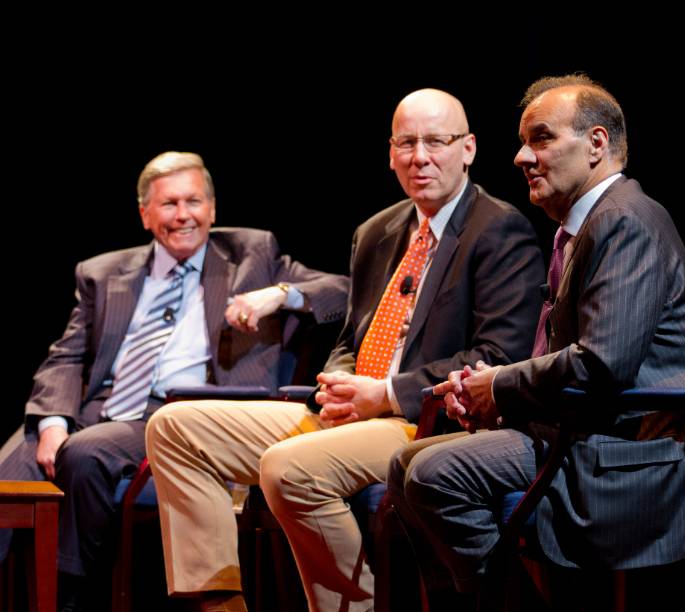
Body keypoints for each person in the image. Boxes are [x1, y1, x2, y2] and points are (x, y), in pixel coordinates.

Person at [144, 88, 544, 612]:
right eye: (407, 143)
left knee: (288, 468)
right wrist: (338, 382)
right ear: (390, 153)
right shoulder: (377, 231)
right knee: (174, 428)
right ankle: (219, 604)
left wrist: (383, 394)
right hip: (352, 412)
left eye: (436, 142)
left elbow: (497, 356)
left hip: (425, 422)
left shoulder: (499, 230)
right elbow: (351, 339)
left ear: (468, 148)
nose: (420, 156)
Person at [389, 74, 685, 599]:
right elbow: (571, 363)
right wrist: (491, 395)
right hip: (592, 430)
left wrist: (499, 385)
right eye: (525, 141)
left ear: (596, 143)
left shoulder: (625, 221)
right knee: (405, 465)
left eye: (541, 138)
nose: (521, 156)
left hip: (643, 453)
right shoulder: (582, 227)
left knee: (437, 474)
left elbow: (603, 364)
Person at [0, 151, 349, 610]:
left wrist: (278, 295)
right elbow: (66, 356)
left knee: (85, 455)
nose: (183, 215)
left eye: (194, 202)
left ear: (213, 209)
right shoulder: (102, 273)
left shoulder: (252, 254)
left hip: (183, 416)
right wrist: (52, 424)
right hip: (97, 412)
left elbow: (343, 291)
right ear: (145, 214)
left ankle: (63, 596)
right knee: (11, 471)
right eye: (169, 204)